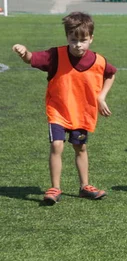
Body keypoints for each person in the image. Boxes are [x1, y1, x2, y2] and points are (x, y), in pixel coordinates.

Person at [12, 11, 116, 205]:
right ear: (67, 37)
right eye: (73, 40)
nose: (78, 45)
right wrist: (24, 52)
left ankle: (85, 186)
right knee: (56, 145)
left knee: (80, 147)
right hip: (58, 110)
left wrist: (101, 97)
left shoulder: (99, 60)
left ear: (91, 38)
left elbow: (111, 74)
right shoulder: (55, 55)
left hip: (82, 112)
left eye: (83, 40)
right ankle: (55, 188)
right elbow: (31, 58)